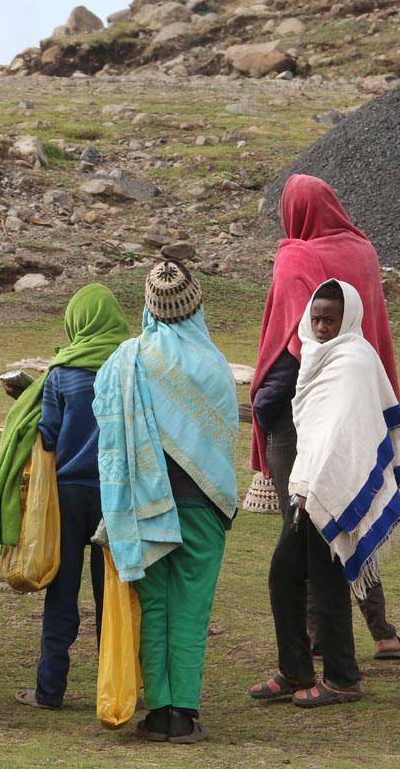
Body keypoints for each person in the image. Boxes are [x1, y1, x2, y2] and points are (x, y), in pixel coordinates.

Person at [250, 174, 400, 660]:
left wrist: (264, 401)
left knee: (303, 522)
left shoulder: (296, 257)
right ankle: (381, 631)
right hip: (359, 399)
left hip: (306, 408)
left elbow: (294, 341)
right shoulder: (362, 250)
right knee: (354, 502)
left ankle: (316, 638)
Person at [94, 261, 238, 744]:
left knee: (153, 606)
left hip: (141, 506)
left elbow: (104, 414)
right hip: (204, 504)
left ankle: (158, 711)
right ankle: (186, 712)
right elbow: (221, 438)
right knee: (191, 609)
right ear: (196, 306)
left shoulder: (127, 359)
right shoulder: (214, 365)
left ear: (149, 308)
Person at [249, 280, 400, 708]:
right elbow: (315, 427)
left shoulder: (355, 360)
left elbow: (347, 434)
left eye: (329, 319)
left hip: (331, 487)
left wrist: (318, 485)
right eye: (315, 318)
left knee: (326, 581)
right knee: (284, 574)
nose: (320, 327)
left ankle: (342, 678)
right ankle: (295, 669)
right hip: (309, 485)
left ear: (348, 319)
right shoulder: (315, 357)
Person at [0, 284, 129, 710]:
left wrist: (28, 399)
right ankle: (117, 688)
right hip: (116, 494)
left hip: (69, 495)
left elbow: (49, 435)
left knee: (63, 592)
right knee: (115, 595)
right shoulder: (130, 366)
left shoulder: (61, 373)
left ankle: (49, 689)